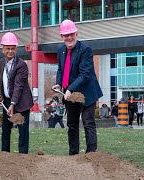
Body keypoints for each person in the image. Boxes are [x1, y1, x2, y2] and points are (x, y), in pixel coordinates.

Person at [52, 20, 103, 155]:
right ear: (61, 36)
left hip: (86, 93)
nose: (69, 37)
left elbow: (84, 74)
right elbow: (61, 69)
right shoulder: (60, 50)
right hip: (70, 96)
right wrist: (59, 83)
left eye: (71, 34)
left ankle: (91, 155)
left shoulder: (85, 50)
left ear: (76, 33)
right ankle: (73, 155)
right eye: (65, 35)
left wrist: (69, 89)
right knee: (72, 125)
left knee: (88, 124)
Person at [0, 32, 33, 154]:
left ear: (16, 49)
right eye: (7, 48)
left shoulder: (21, 65)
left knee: (22, 131)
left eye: (12, 48)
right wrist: (2, 94)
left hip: (21, 102)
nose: (10, 51)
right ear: (2, 49)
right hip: (7, 101)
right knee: (6, 129)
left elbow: (18, 86)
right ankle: (5, 155)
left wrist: (12, 104)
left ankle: (23, 156)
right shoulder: (1, 62)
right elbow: (5, 81)